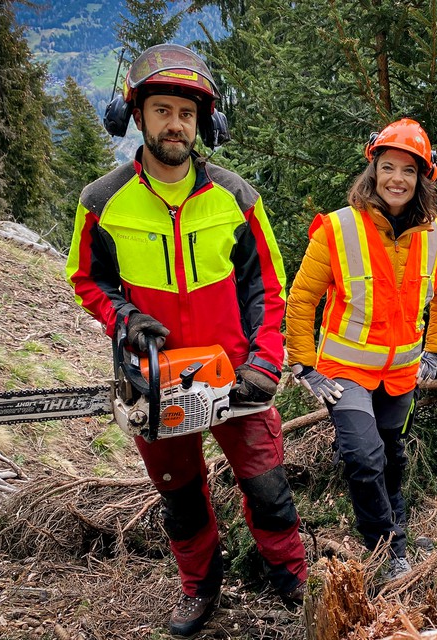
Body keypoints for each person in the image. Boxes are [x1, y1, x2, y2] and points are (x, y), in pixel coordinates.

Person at [65, 44, 307, 636]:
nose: (176, 124)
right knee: (181, 497)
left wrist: (266, 362)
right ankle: (200, 585)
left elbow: (268, 290)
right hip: (157, 379)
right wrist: (123, 315)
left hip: (235, 373)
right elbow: (86, 278)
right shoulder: (103, 201)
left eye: (188, 114)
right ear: (137, 116)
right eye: (164, 110)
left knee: (268, 486)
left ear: (204, 124)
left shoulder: (235, 198)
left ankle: (292, 579)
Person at [285, 118, 437, 580]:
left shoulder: (436, 234)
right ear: (373, 170)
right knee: (364, 457)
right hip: (344, 372)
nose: (396, 178)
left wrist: (434, 352)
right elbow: (302, 298)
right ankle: (387, 549)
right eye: (387, 167)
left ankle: (395, 527)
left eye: (407, 170)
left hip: (402, 374)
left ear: (423, 178)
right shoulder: (337, 229)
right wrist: (304, 365)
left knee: (393, 454)